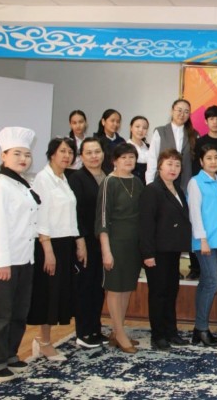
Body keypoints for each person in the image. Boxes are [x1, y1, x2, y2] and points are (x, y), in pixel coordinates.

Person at [0, 127, 38, 381]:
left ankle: (10, 354)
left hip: (23, 258)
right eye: (17, 153)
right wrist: (2, 263)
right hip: (1, 261)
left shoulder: (22, 185)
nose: (23, 158)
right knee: (0, 314)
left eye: (27, 154)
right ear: (3, 156)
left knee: (18, 312)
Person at [27, 137, 80, 362]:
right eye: (62, 151)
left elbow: (70, 214)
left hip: (65, 242)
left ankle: (44, 340)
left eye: (70, 152)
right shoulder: (43, 179)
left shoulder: (64, 178)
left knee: (58, 292)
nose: (67, 156)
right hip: (48, 243)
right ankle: (44, 341)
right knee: (47, 293)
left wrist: (78, 242)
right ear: (52, 154)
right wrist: (48, 250)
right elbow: (41, 216)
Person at [140, 149, 192, 351]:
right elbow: (146, 225)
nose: (173, 168)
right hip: (157, 252)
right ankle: (158, 335)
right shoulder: (152, 190)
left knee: (171, 292)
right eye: (169, 164)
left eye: (177, 165)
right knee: (158, 293)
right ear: (160, 166)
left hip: (172, 250)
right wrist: (148, 254)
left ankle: (171, 332)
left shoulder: (177, 189)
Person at [96, 142, 144, 354]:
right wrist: (106, 251)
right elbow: (102, 218)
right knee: (115, 288)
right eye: (123, 157)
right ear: (114, 160)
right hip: (115, 242)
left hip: (134, 243)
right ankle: (119, 332)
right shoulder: (109, 182)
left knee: (126, 288)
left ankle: (118, 331)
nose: (128, 160)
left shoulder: (137, 181)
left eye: (131, 157)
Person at [146, 99, 199, 280]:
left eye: (186, 111)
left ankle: (174, 266)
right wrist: (150, 185)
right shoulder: (160, 131)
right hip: (161, 186)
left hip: (182, 187)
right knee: (163, 225)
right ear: (172, 110)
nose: (182, 114)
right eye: (179, 110)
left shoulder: (192, 134)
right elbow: (152, 159)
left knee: (178, 226)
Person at [68, 137, 108, 349]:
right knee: (85, 286)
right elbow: (75, 213)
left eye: (97, 151)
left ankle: (95, 329)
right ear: (81, 156)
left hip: (103, 240)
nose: (94, 156)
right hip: (85, 240)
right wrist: (80, 241)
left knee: (98, 286)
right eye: (89, 153)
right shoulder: (77, 178)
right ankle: (83, 332)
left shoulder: (107, 176)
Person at [188, 145, 217, 347]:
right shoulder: (196, 182)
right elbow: (194, 212)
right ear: (201, 162)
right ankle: (202, 328)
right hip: (204, 241)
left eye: (216, 157)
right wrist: (202, 239)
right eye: (208, 158)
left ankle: (197, 330)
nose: (213, 161)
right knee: (212, 283)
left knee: (205, 283)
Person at [94, 108, 125, 175]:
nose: (115, 124)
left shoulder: (122, 141)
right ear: (103, 121)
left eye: (118, 122)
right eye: (112, 121)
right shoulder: (96, 141)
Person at [128, 115, 149, 185]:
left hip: (148, 185)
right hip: (131, 184)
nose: (141, 130)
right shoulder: (124, 148)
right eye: (137, 126)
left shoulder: (150, 148)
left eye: (144, 128)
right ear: (131, 128)